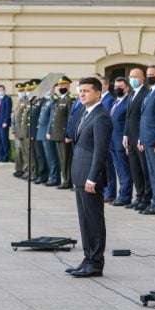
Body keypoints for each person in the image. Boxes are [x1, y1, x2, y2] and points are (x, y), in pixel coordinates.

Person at [66, 77, 112, 277]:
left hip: (90, 177)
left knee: (93, 219)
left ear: (98, 93)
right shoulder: (85, 113)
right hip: (80, 174)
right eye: (80, 91)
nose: (82, 94)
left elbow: (100, 151)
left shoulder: (101, 116)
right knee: (84, 220)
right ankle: (88, 258)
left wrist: (93, 178)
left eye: (86, 91)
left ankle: (95, 262)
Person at [123, 68, 152, 211]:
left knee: (144, 170)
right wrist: (125, 135)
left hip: (141, 139)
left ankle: (147, 198)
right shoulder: (132, 93)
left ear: (142, 78)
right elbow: (128, 117)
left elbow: (144, 118)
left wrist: (141, 137)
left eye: (135, 76)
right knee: (135, 170)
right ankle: (139, 196)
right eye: (130, 76)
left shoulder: (146, 93)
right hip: (131, 138)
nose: (132, 79)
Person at [138, 65, 155, 215]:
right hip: (146, 138)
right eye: (147, 74)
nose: (149, 77)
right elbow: (144, 117)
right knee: (152, 173)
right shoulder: (151, 91)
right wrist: (141, 138)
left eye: (152, 74)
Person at [109, 77, 133, 206]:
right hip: (112, 141)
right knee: (119, 170)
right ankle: (121, 194)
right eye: (116, 87)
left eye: (120, 87)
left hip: (122, 142)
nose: (117, 89)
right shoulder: (115, 102)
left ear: (127, 88)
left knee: (125, 171)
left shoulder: (128, 101)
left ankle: (125, 196)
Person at [47, 76, 74, 190]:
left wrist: (69, 134)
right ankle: (65, 179)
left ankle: (68, 181)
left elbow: (70, 118)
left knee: (66, 159)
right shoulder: (58, 99)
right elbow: (53, 117)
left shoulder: (70, 99)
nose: (61, 87)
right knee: (61, 159)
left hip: (64, 135)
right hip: (57, 134)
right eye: (60, 85)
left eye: (64, 85)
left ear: (68, 86)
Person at [98, 76, 117, 202]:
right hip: (100, 136)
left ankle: (110, 192)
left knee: (109, 166)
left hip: (108, 137)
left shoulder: (109, 100)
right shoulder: (100, 99)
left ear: (105, 85)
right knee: (103, 166)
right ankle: (105, 189)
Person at [37, 87, 60, 186]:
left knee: (51, 157)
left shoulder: (54, 100)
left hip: (47, 132)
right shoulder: (46, 101)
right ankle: (49, 176)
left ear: (53, 89)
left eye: (50, 88)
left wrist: (49, 131)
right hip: (41, 131)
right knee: (45, 157)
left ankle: (55, 178)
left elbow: (52, 118)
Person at [12, 82, 28, 177]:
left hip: (23, 131)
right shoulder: (19, 101)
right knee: (18, 151)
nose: (21, 92)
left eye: (22, 90)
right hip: (18, 130)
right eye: (19, 91)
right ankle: (18, 168)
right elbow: (14, 116)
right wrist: (13, 128)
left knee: (24, 152)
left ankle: (25, 169)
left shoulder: (26, 101)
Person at [0, 84, 12, 162]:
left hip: (3, 122)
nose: (0, 92)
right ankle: (0, 156)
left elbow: (8, 111)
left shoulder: (7, 99)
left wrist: (6, 121)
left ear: (4, 90)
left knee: (4, 140)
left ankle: (5, 156)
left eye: (1, 90)